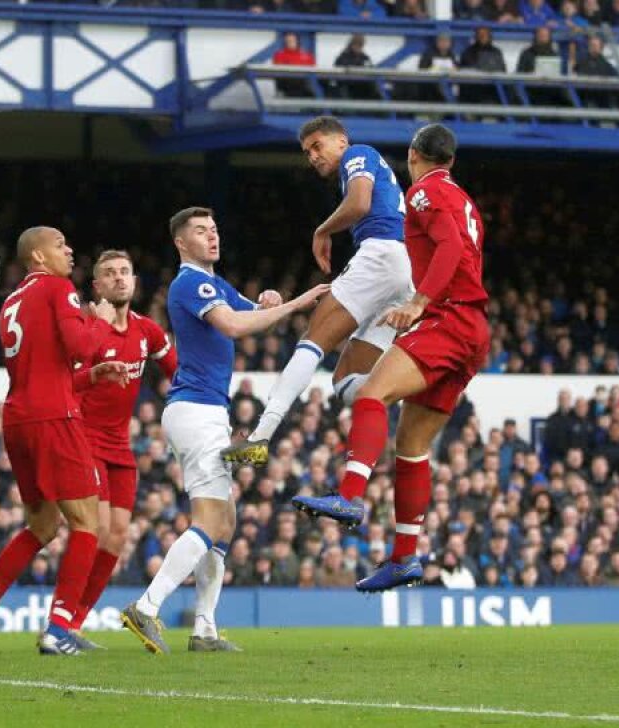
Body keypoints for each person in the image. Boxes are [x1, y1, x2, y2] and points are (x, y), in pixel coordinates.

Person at [121, 207, 327, 654]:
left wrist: (271, 302)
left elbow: (251, 313)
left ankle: (205, 630)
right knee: (210, 520)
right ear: (181, 242)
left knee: (226, 521)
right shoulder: (191, 282)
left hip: (202, 410)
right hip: (197, 411)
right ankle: (147, 606)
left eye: (214, 229)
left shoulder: (211, 284)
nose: (212, 236)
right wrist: (293, 304)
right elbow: (234, 325)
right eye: (200, 231)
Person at [295, 124, 490, 592]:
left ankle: (349, 496)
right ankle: (404, 558)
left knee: (371, 393)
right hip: (472, 329)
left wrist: (421, 301)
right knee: (411, 446)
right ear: (452, 160)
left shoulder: (423, 192)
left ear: (412, 156)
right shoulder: (465, 201)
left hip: (447, 319)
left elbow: (447, 247)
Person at [0, 226, 124, 656]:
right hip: (54, 421)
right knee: (88, 523)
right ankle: (59, 629)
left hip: (18, 420)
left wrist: (88, 378)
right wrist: (99, 323)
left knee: (43, 526)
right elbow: (81, 345)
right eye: (61, 244)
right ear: (39, 258)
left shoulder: (11, 301)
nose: (70, 250)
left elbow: (46, 369)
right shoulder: (57, 288)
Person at [223, 116, 409, 467]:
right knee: (348, 381)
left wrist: (321, 231)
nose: (312, 156)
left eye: (317, 146)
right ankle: (414, 392)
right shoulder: (366, 166)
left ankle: (259, 439)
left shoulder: (359, 154)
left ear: (341, 141)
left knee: (312, 340)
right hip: (402, 272)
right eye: (307, 152)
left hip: (381, 254)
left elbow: (359, 203)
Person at [67, 250, 177, 649]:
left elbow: (177, 373)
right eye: (109, 274)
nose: (119, 278)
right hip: (84, 440)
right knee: (93, 532)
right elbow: (67, 380)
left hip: (120, 446)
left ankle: (74, 624)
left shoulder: (148, 331)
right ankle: (59, 623)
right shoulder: (87, 328)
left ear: (134, 281)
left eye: (125, 272)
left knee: (116, 539)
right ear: (96, 286)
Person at [271, 32, 316, 98]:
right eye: (288, 41)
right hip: (287, 84)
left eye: (292, 40)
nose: (290, 43)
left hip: (303, 85)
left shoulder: (307, 55)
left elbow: (312, 69)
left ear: (297, 41)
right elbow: (279, 71)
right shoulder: (279, 55)